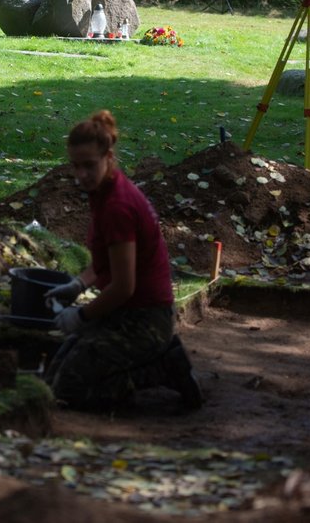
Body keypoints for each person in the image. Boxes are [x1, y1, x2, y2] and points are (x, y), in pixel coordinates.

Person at [43, 110, 202, 411]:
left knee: (70, 390)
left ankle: (164, 368)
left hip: (145, 320)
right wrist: (78, 284)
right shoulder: (104, 191)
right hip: (126, 313)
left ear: (109, 156)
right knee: (57, 369)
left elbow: (123, 286)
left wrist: (81, 316)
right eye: (75, 167)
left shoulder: (117, 206)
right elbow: (106, 262)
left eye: (89, 166)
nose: (81, 175)